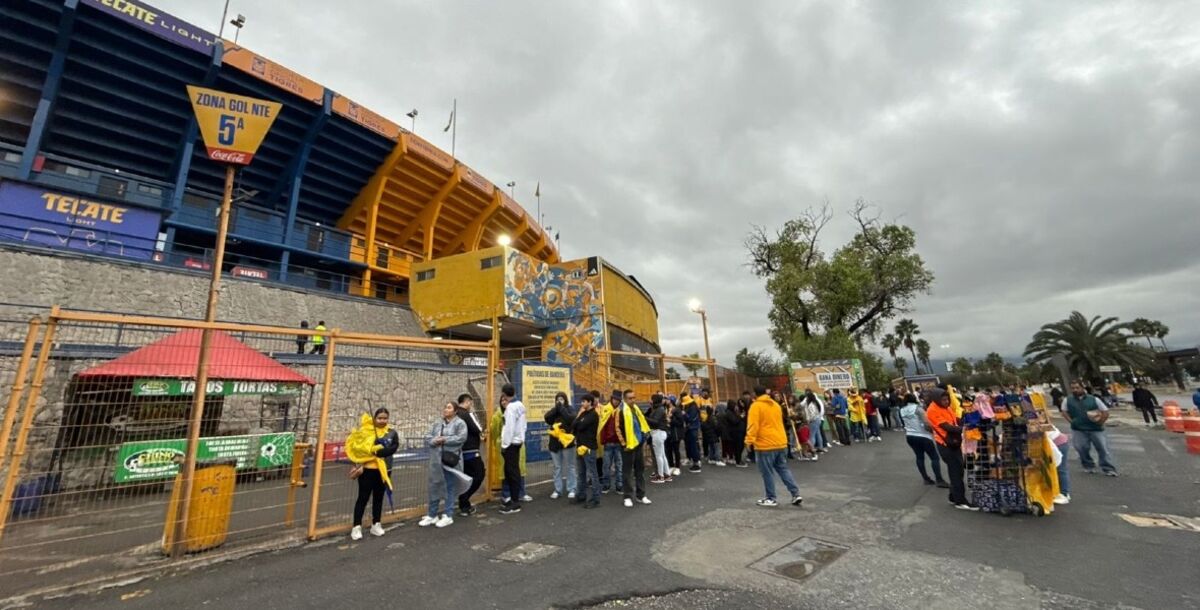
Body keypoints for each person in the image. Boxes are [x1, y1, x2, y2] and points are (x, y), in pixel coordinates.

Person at [745, 386, 803, 507]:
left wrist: (749, 441)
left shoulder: (756, 406)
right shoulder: (775, 405)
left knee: (767, 472)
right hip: (780, 441)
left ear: (755, 394)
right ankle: (795, 493)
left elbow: (753, 425)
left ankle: (771, 497)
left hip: (765, 444)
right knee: (783, 468)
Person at [346, 408, 398, 540]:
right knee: (362, 498)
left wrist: (380, 451)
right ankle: (356, 527)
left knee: (378, 498)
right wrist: (372, 450)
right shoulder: (366, 431)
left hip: (384, 471)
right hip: (367, 470)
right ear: (374, 418)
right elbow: (359, 448)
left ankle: (376, 524)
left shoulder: (391, 433)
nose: (382, 421)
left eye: (385, 418)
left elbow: (393, 448)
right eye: (379, 418)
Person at [925, 388, 976, 510]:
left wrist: (967, 421)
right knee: (956, 471)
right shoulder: (932, 410)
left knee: (957, 470)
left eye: (947, 399)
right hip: (946, 444)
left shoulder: (945, 408)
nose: (946, 401)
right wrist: (965, 430)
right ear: (937, 399)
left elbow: (955, 420)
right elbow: (946, 426)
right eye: (943, 399)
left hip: (953, 442)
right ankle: (960, 501)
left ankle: (953, 497)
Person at [419, 401, 468, 528]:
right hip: (436, 459)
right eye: (445, 407)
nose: (446, 409)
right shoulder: (437, 422)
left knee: (449, 486)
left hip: (450, 460)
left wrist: (445, 439)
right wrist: (435, 440)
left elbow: (461, 438)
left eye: (449, 407)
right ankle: (432, 514)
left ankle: (448, 514)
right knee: (434, 485)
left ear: (455, 411)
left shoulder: (460, 423)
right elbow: (428, 437)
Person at [1064, 380, 1117, 476]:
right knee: (1081, 448)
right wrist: (1072, 421)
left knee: (1102, 448)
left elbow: (1105, 411)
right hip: (1078, 429)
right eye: (1073, 388)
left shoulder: (1093, 399)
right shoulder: (1068, 400)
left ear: (1082, 387)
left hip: (1095, 429)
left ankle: (1108, 468)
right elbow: (1064, 411)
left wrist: (1101, 422)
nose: (1075, 390)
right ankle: (1088, 466)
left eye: (1077, 387)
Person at [898, 393, 947, 488]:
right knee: (934, 457)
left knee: (919, 457)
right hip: (923, 435)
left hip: (910, 435)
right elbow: (926, 423)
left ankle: (925, 478)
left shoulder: (902, 410)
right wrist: (934, 432)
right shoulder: (918, 409)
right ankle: (939, 479)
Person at [616, 389, 652, 507]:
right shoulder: (620, 411)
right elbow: (617, 429)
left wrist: (644, 436)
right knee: (627, 472)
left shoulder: (636, 409)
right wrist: (624, 444)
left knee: (640, 471)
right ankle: (627, 496)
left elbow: (642, 423)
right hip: (627, 446)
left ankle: (641, 495)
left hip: (638, 444)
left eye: (634, 397)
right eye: (630, 398)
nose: (633, 400)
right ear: (625, 399)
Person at [455, 393, 486, 517]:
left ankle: (464, 505)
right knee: (479, 474)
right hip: (471, 450)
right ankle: (464, 498)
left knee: (466, 477)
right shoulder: (467, 415)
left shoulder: (456, 415)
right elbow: (477, 429)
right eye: (471, 403)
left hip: (461, 452)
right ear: (468, 402)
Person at [499, 384, 527, 514]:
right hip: (518, 441)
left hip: (510, 444)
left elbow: (508, 428)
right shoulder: (520, 405)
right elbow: (524, 425)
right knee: (514, 471)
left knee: (511, 473)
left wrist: (505, 445)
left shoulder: (510, 408)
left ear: (504, 394)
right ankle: (514, 500)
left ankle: (515, 503)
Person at [544, 391, 577, 499]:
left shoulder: (569, 409)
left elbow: (570, 419)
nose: (559, 401)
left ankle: (572, 488)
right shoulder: (555, 411)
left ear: (566, 400)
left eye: (562, 399)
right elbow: (547, 418)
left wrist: (562, 408)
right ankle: (558, 490)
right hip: (555, 443)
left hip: (567, 442)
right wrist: (556, 409)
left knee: (570, 466)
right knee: (557, 467)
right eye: (558, 399)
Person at [571, 394, 602, 508]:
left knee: (592, 473)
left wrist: (578, 422)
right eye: (582, 401)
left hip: (589, 447)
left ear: (590, 402)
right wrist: (579, 417)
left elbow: (581, 426)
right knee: (581, 473)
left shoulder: (593, 414)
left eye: (584, 401)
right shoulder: (583, 413)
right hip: (580, 446)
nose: (582, 403)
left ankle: (595, 498)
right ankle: (581, 494)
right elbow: (574, 425)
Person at [598, 390, 624, 492]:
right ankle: (606, 484)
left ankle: (619, 485)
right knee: (606, 466)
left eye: (618, 400)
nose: (616, 401)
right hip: (608, 443)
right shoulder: (605, 409)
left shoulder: (621, 411)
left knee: (619, 466)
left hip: (618, 443)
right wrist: (603, 440)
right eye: (615, 399)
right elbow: (601, 426)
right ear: (611, 399)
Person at [646, 394, 672, 483]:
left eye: (652, 399)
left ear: (655, 400)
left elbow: (655, 422)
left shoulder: (659, 409)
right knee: (662, 455)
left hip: (658, 433)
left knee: (659, 456)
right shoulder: (659, 409)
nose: (650, 401)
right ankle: (667, 474)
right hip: (660, 433)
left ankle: (660, 476)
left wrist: (645, 418)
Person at [700, 393, 723, 465]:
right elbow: (717, 427)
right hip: (714, 435)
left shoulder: (706, 419)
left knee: (711, 447)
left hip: (709, 435)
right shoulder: (713, 419)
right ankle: (718, 460)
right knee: (716, 448)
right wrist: (718, 434)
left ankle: (711, 458)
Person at [682, 392, 703, 472]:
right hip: (691, 429)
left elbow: (690, 418)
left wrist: (684, 414)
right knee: (691, 446)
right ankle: (695, 462)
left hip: (692, 429)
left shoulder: (693, 408)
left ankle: (696, 463)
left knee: (694, 446)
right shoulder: (692, 407)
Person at [667, 397, 684, 476]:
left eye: (668, 399)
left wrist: (671, 420)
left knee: (676, 450)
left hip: (676, 433)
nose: (666, 401)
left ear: (671, 401)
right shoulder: (667, 409)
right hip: (669, 433)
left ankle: (677, 467)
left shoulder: (677, 410)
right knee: (669, 450)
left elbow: (680, 422)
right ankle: (671, 465)